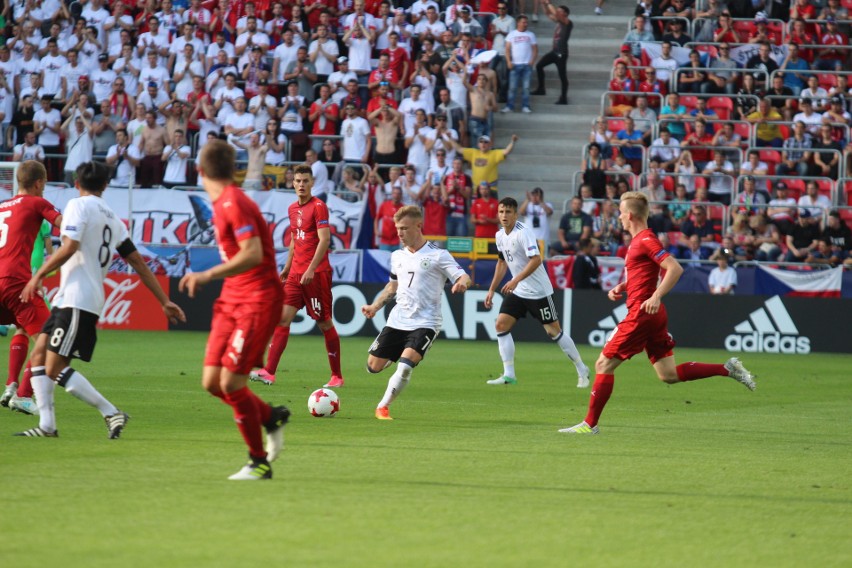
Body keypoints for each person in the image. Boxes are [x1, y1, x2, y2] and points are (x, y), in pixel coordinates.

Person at [559, 192, 756, 435]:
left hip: (643, 312)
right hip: (653, 314)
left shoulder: (644, 240)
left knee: (603, 363)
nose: (619, 217)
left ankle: (590, 425)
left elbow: (674, 268)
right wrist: (624, 287)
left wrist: (656, 295)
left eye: (621, 212)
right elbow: (646, 274)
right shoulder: (638, 241)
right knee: (668, 374)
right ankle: (726, 368)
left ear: (629, 215)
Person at [16, 162, 185, 439]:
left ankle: (110, 411)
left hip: (77, 299)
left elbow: (70, 246)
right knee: (38, 354)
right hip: (76, 298)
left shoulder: (77, 206)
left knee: (54, 366)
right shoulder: (114, 219)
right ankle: (47, 425)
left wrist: (39, 276)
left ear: (77, 183)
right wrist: (164, 300)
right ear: (105, 186)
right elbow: (137, 261)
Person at [177, 142, 288, 480]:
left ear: (199, 170)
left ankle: (259, 462)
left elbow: (253, 253)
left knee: (232, 382)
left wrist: (207, 274)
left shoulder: (233, 202)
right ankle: (269, 416)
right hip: (232, 299)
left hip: (256, 300)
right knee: (212, 382)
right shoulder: (224, 202)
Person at [361, 205, 472, 420]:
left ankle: (382, 407)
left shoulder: (438, 255)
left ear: (418, 226)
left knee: (404, 368)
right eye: (397, 229)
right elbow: (392, 286)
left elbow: (463, 276)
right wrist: (375, 306)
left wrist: (462, 284)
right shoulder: (397, 256)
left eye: (404, 228)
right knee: (373, 367)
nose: (400, 233)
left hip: (426, 322)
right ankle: (397, 355)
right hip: (397, 320)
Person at [250, 165, 345, 389]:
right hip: (295, 275)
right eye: (298, 181)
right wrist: (287, 266)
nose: (301, 184)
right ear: (292, 183)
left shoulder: (319, 207)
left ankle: (337, 376)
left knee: (324, 323)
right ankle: (269, 372)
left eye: (305, 181)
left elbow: (324, 240)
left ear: (312, 183)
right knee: (282, 319)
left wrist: (311, 268)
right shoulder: (293, 208)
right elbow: (295, 238)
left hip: (316, 275)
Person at [484, 197, 589, 387]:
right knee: (501, 325)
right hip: (519, 290)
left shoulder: (523, 233)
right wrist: (491, 289)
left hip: (538, 291)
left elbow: (536, 259)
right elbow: (501, 262)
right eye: (501, 212)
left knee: (553, 332)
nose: (504, 215)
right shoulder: (500, 235)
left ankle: (582, 368)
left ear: (516, 214)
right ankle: (509, 374)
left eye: (508, 212)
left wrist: (515, 280)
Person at [0, 162, 64, 411]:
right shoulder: (37, 203)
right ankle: (24, 395)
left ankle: (11, 386)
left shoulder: (3, 206)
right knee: (48, 339)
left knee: (22, 328)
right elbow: (64, 222)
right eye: (45, 185)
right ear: (38, 183)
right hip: (17, 281)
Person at [532, 2, 571, 105]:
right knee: (539, 66)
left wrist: (548, 2)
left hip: (562, 54)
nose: (557, 12)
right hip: (554, 52)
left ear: (565, 13)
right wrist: (543, 4)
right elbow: (548, 14)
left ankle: (563, 98)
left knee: (562, 76)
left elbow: (555, 14)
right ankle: (541, 89)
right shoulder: (559, 22)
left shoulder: (567, 22)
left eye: (560, 10)